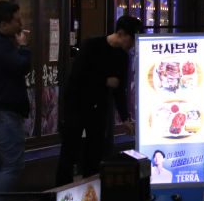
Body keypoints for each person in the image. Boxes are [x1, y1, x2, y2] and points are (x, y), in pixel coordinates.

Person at [55, 15, 143, 185]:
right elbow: (77, 76)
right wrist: (104, 80)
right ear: (121, 33)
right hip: (77, 104)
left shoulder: (123, 57)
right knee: (70, 147)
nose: (132, 45)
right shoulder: (91, 45)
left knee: (95, 149)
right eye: (132, 40)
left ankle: (91, 188)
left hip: (100, 107)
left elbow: (120, 89)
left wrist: (125, 118)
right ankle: (61, 191)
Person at [0, 1, 30, 201]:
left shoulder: (1, 43)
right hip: (4, 113)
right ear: (4, 23)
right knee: (12, 164)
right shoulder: (0, 45)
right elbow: (20, 67)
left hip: (1, 112)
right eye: (17, 19)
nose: (21, 23)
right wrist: (24, 47)